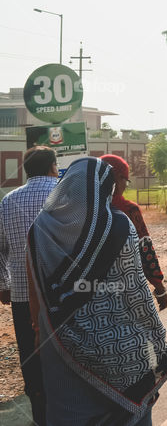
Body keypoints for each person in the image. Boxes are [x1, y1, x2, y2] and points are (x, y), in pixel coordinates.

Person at [26, 157, 167, 424]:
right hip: (121, 345)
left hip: (57, 338)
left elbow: (34, 287)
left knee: (70, 408)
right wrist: (153, 333)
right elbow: (135, 289)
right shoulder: (118, 225)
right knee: (131, 412)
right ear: (107, 188)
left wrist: (38, 333)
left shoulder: (39, 229)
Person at [0, 146, 58, 424]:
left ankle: (40, 416)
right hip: (63, 295)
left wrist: (4, 284)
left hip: (23, 298)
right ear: (53, 167)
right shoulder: (66, 194)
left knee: (31, 361)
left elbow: (0, 248)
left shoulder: (8, 200)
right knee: (66, 361)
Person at [101, 154, 167, 310]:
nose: (126, 185)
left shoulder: (84, 209)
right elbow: (145, 250)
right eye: (126, 180)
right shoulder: (129, 210)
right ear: (118, 178)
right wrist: (159, 287)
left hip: (93, 294)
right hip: (129, 291)